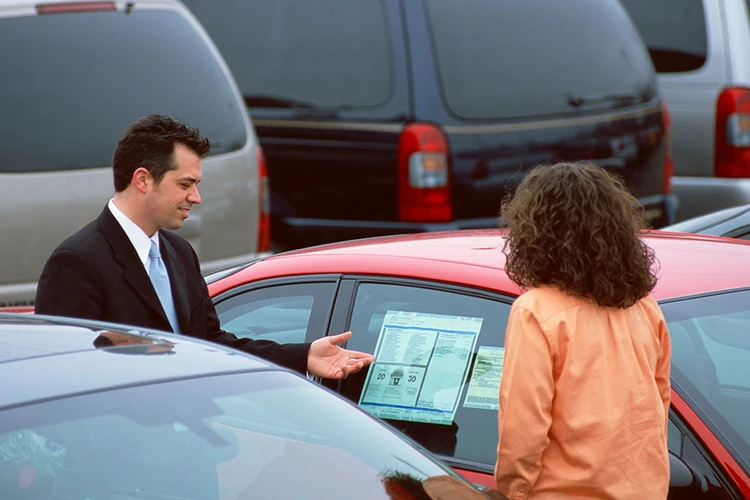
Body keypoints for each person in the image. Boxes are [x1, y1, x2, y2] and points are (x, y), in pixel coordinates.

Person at [35, 114, 374, 379]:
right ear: (142, 180)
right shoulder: (76, 263)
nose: (196, 198)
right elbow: (66, 376)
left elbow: (209, 345)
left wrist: (303, 356)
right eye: (185, 184)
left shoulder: (179, 253)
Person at [494, 162, 671, 499]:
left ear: (536, 232)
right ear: (616, 228)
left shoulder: (535, 311)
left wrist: (510, 493)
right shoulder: (644, 307)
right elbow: (657, 409)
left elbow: (524, 430)